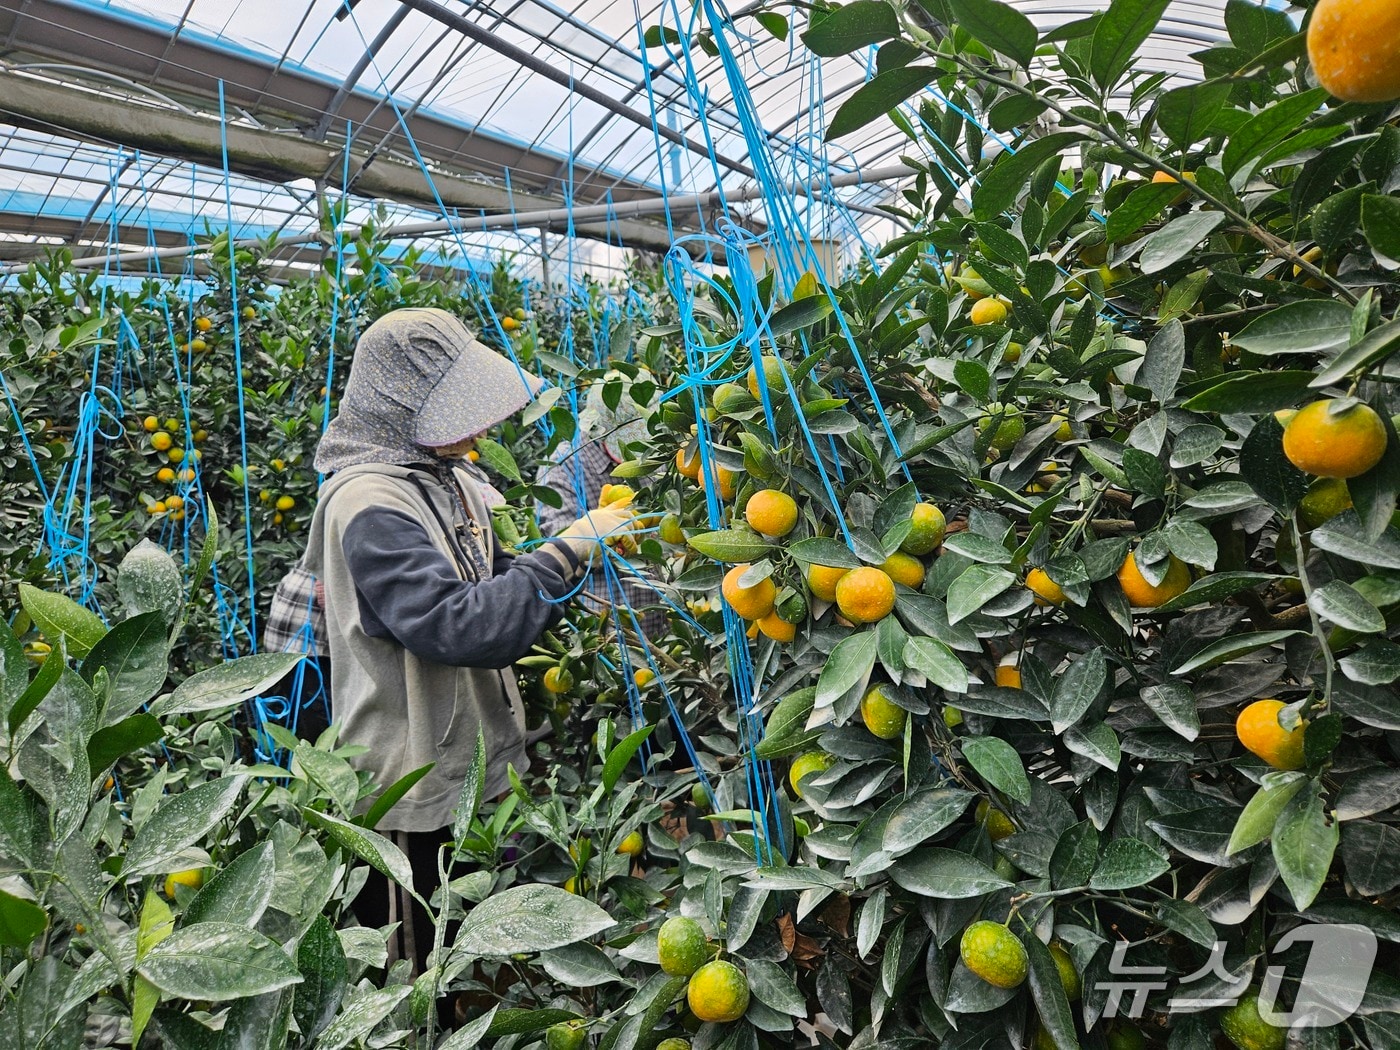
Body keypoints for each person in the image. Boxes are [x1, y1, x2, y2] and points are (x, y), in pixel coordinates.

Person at [302, 307, 633, 1013]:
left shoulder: (444, 479)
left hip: (477, 767)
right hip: (409, 792)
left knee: (480, 972)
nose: (480, 428)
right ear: (402, 408)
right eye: (458, 408)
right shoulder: (369, 503)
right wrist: (571, 545)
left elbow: (495, 582)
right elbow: (461, 625)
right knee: (415, 983)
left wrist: (570, 569)